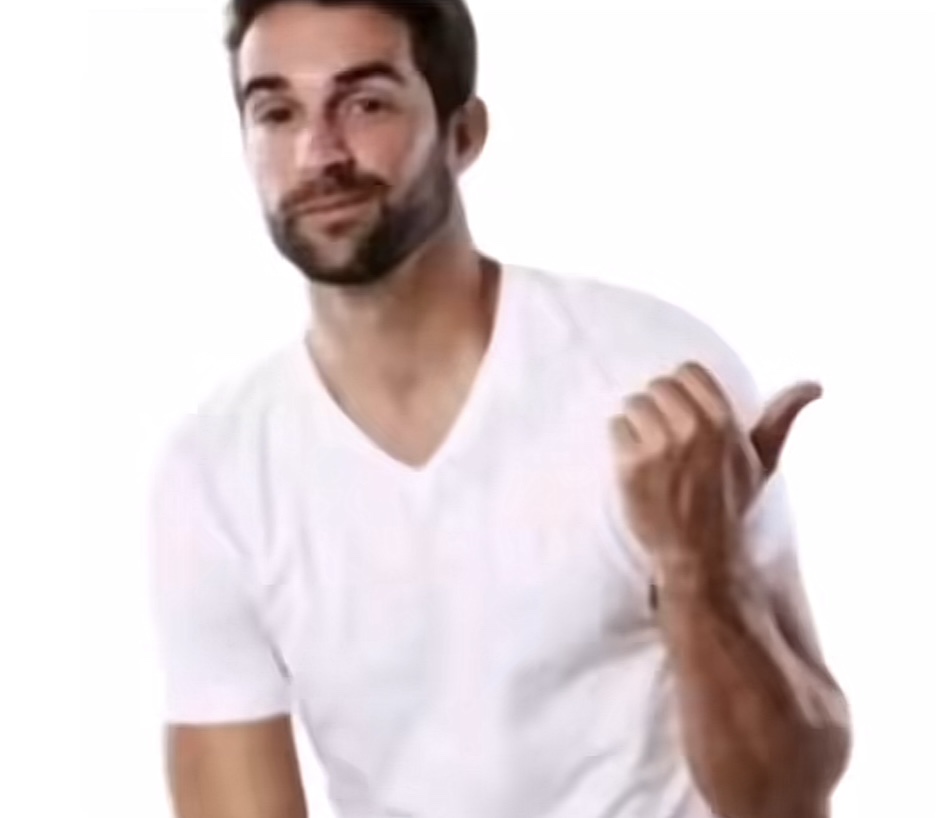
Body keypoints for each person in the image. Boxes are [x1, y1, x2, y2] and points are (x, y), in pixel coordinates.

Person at [147, 1, 852, 817]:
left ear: (463, 134)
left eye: (366, 103)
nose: (319, 152)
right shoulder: (217, 472)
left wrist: (700, 566)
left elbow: (785, 799)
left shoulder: (652, 379)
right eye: (277, 113)